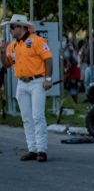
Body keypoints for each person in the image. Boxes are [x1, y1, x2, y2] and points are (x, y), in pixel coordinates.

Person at [0, 14, 54, 162]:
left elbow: (48, 59)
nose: (10, 30)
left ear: (21, 27)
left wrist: (48, 79)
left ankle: (41, 150)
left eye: (12, 27)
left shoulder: (37, 41)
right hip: (21, 84)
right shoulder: (13, 46)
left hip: (37, 81)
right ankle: (32, 149)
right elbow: (7, 64)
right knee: (26, 118)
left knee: (37, 116)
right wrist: (1, 52)